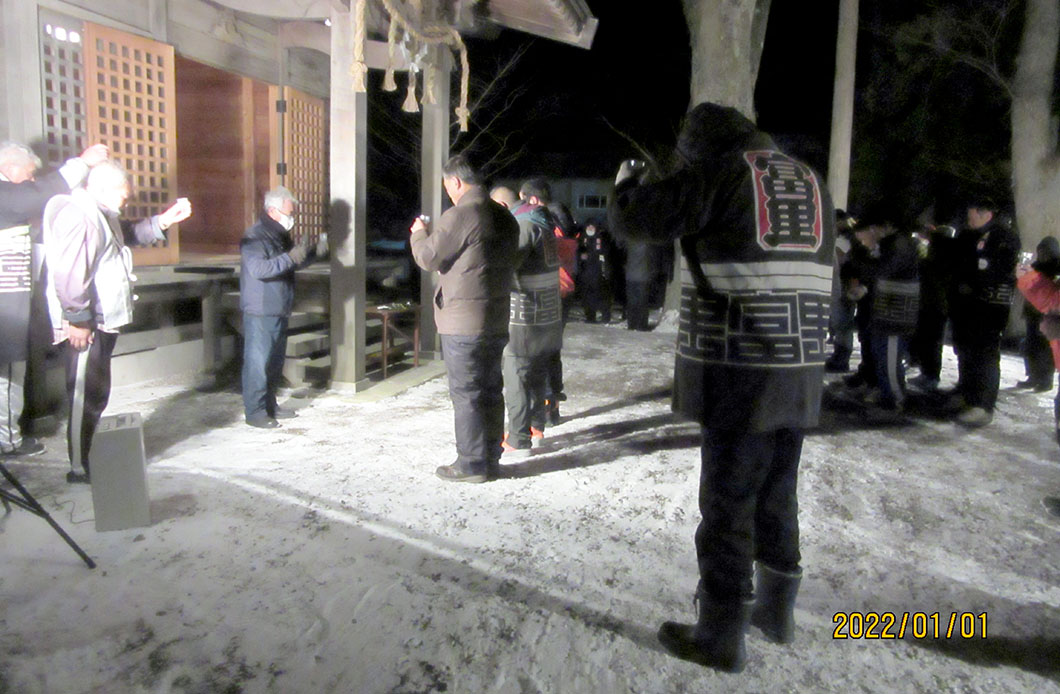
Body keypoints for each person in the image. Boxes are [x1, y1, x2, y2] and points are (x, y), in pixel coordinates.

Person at [609, 102, 835, 673]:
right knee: (778, 489)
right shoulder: (807, 177)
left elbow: (639, 219)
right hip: (801, 362)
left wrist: (627, 184)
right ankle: (777, 612)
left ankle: (720, 633)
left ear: (699, 146)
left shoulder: (723, 171)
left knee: (728, 501)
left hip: (742, 363)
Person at [42, 160, 192, 482]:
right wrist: (77, 319)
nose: (126, 201)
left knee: (96, 392)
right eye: (123, 195)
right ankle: (79, 466)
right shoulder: (79, 214)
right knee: (84, 395)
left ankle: (90, 454)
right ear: (101, 188)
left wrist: (163, 221)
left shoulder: (101, 213)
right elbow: (70, 273)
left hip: (100, 319)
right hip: (86, 323)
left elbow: (128, 235)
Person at [410, 154, 518, 482]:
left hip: (462, 321)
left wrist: (418, 233)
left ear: (456, 182)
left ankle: (471, 464)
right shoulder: (505, 217)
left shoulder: (460, 214)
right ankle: (490, 457)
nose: (448, 192)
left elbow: (428, 257)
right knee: (491, 389)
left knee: (467, 393)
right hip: (496, 316)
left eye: (448, 186)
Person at [0, 140, 109, 458]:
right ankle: (7, 441)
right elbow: (40, 194)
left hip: (11, 303)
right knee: (7, 374)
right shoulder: (5, 194)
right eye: (28, 174)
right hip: (5, 307)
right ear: (8, 168)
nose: (32, 180)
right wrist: (82, 163)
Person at [240, 186, 315, 429]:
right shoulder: (255, 236)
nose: (291, 218)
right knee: (258, 363)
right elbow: (259, 269)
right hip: (261, 308)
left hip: (279, 305)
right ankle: (255, 412)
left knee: (273, 363)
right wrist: (290, 257)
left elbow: (286, 265)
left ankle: (270, 405)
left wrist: (311, 254)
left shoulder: (279, 235)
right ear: (273, 211)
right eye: (289, 213)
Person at [502, 179, 563, 453]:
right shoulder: (544, 223)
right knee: (538, 373)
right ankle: (537, 428)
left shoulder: (523, 226)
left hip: (527, 315)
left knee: (516, 372)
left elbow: (507, 264)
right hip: (548, 314)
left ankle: (518, 438)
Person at [948, 199, 1021, 427]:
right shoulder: (969, 235)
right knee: (966, 351)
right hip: (965, 306)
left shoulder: (1003, 237)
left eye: (972, 215)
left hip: (989, 307)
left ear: (985, 213)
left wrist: (975, 282)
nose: (968, 220)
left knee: (985, 354)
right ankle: (966, 393)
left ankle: (983, 405)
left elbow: (1000, 271)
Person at [1017, 237, 1060, 392]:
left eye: (1045, 251)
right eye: (1041, 251)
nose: (1042, 254)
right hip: (1033, 314)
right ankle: (1033, 377)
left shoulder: (1056, 268)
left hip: (1048, 316)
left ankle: (1045, 380)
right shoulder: (1035, 266)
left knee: (1046, 350)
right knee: (1030, 345)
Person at [578, 219, 613, 324]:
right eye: (588, 227)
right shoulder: (582, 238)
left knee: (602, 295)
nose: (590, 229)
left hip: (599, 272)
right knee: (587, 295)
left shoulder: (601, 239)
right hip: (586, 273)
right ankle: (590, 316)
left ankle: (605, 316)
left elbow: (605, 254)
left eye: (592, 227)